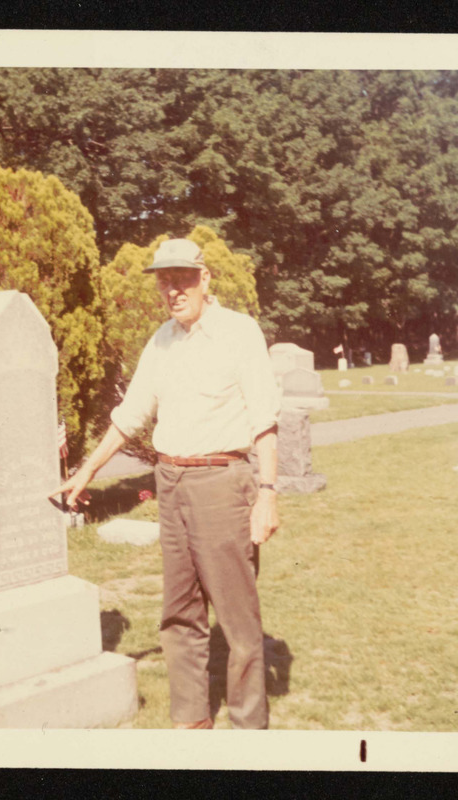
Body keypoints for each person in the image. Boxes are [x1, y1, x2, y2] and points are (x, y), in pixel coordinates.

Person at [50, 237, 280, 729]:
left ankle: (249, 733)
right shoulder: (162, 340)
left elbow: (265, 419)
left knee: (237, 622)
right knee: (179, 615)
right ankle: (190, 725)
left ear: (205, 279)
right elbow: (131, 415)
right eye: (164, 281)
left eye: (183, 279)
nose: (174, 290)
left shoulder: (240, 333)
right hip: (170, 482)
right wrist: (86, 471)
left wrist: (268, 494)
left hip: (222, 481)